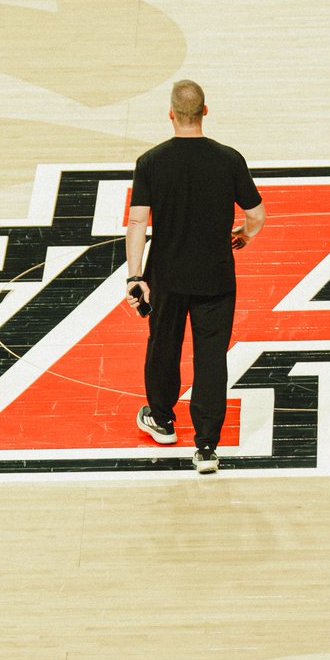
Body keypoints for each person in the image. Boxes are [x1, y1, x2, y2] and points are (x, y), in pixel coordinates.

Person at [125, 80, 265, 474]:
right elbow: (256, 215)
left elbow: (137, 222)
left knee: (164, 346)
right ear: (205, 111)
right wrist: (243, 235)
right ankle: (206, 447)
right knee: (210, 356)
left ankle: (162, 421)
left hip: (167, 275)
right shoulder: (229, 159)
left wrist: (135, 276)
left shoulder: (151, 162)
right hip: (216, 275)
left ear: (171, 114)